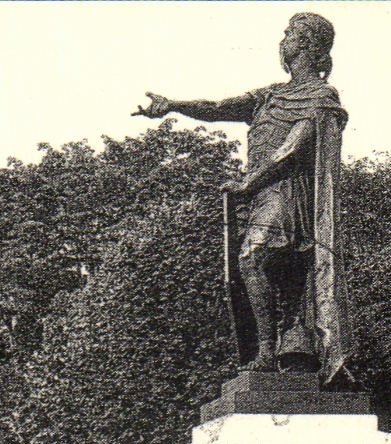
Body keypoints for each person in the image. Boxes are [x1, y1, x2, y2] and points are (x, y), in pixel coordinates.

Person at [135, 12, 350, 384]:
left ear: (307, 45)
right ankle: (292, 346)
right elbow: (218, 108)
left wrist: (249, 182)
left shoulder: (321, 95)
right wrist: (173, 105)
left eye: (290, 34)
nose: (282, 40)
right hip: (261, 194)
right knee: (279, 274)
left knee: (253, 257)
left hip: (290, 193)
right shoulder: (269, 95)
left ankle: (267, 351)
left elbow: (292, 148)